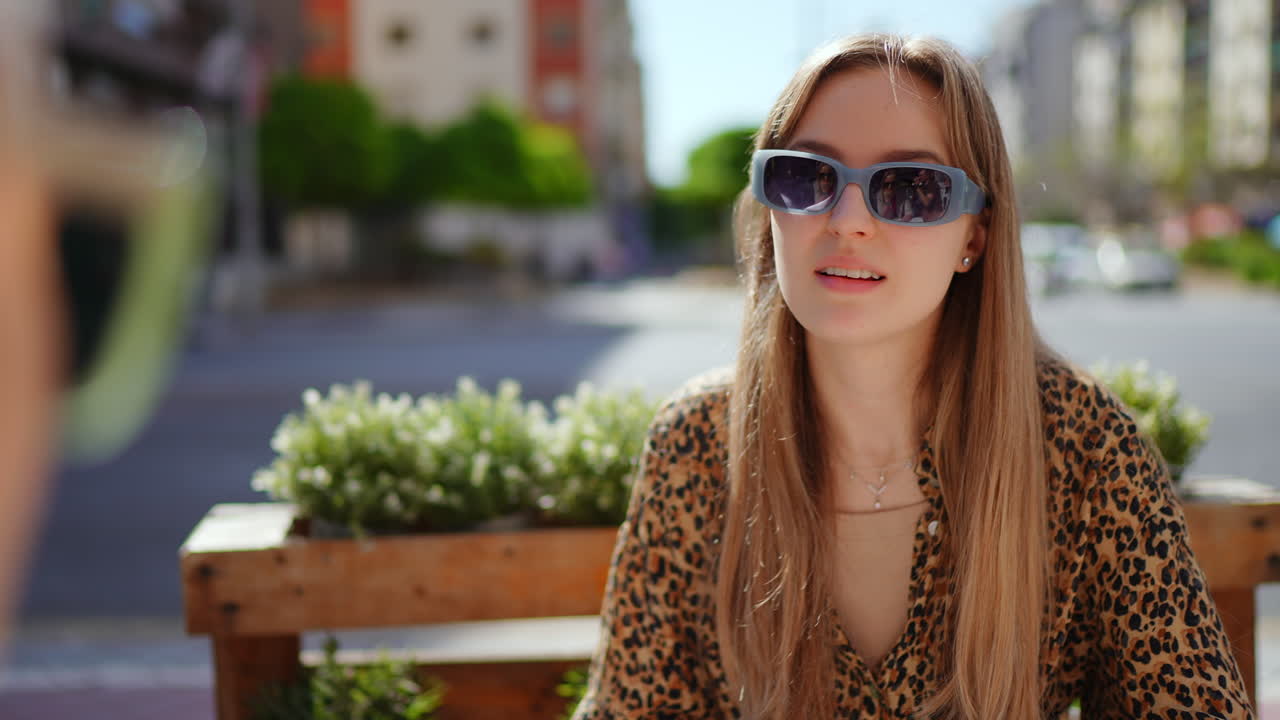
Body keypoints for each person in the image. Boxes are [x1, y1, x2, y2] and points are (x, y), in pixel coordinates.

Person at [572, 34, 1253, 719]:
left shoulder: (1082, 446)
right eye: (807, 177)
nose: (847, 221)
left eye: (911, 189)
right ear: (766, 204)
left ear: (974, 237)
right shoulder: (695, 446)